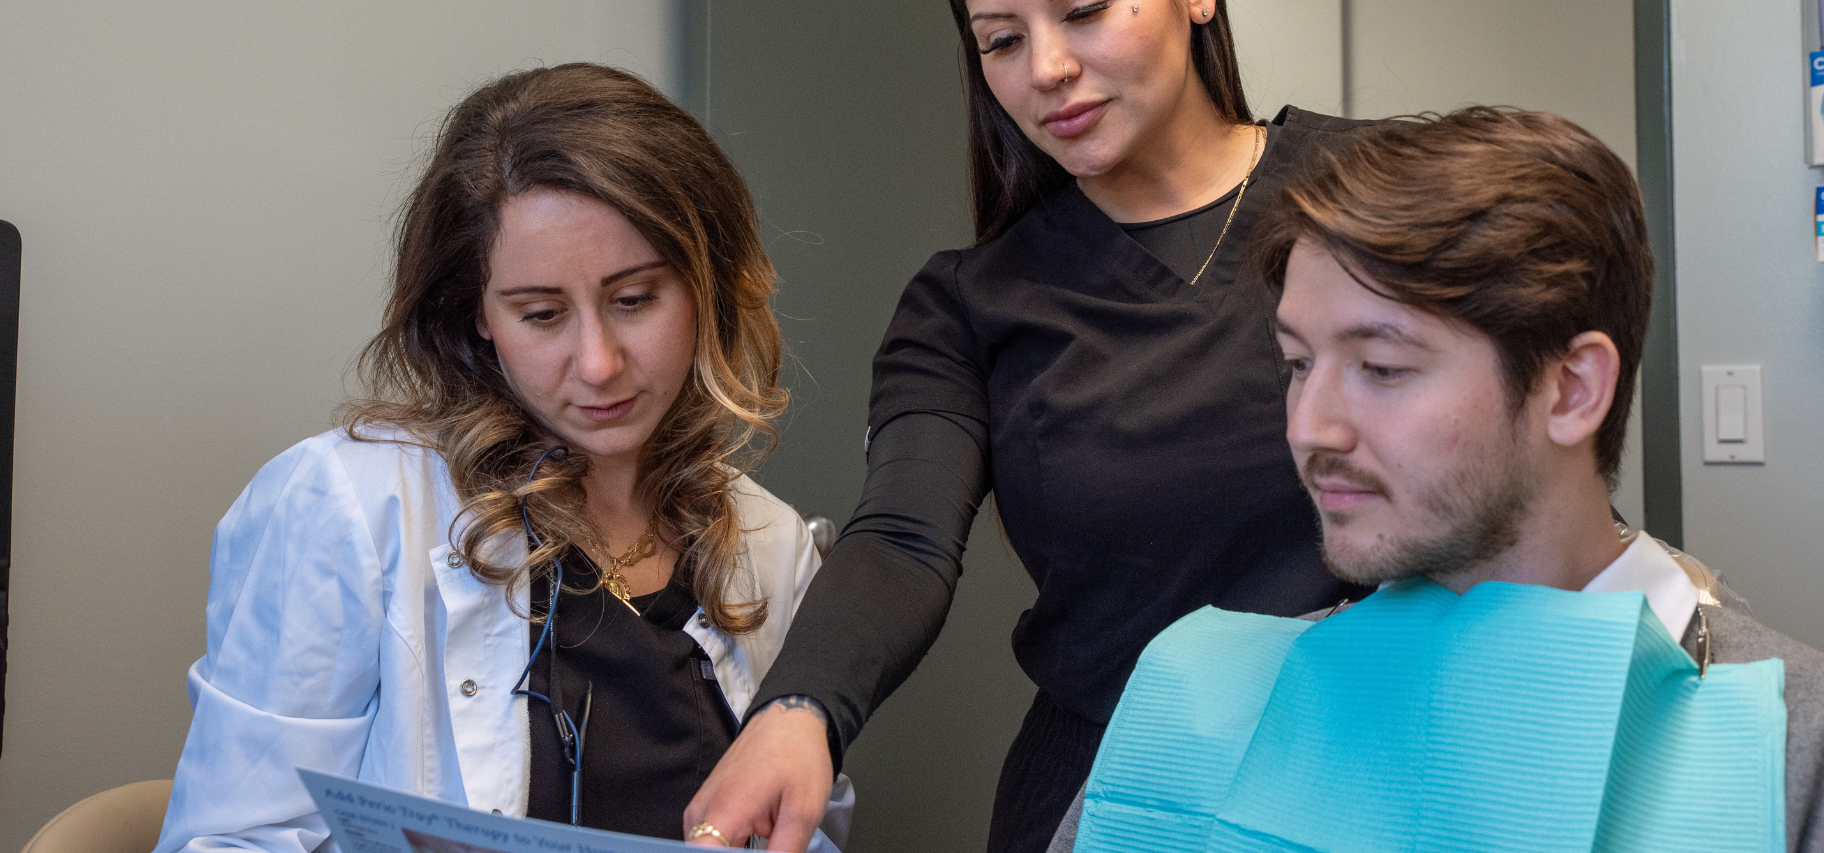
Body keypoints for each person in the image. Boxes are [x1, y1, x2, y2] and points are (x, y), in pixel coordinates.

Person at [1053, 107, 1824, 852]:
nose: (1309, 428)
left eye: (1383, 367)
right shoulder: (1197, 707)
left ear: (1572, 389)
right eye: (1296, 363)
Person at [685, 3, 1378, 851]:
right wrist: (800, 707)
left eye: (1083, 11)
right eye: (1002, 42)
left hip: (1383, 758)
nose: (1045, 68)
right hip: (1111, 796)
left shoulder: (1384, 186)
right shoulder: (969, 304)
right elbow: (902, 537)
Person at [152, 63, 851, 853]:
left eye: (635, 300)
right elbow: (223, 841)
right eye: (541, 314)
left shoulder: (774, 543)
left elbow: (807, 829)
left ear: (706, 287)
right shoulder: (347, 506)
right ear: (476, 314)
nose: (597, 362)